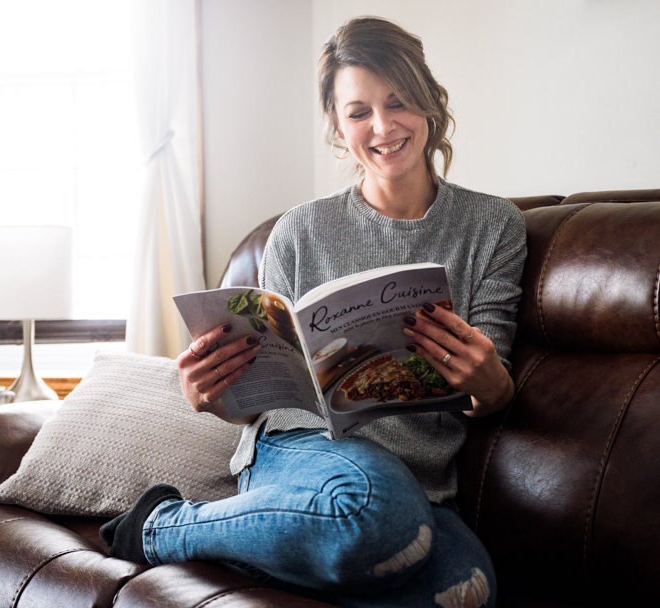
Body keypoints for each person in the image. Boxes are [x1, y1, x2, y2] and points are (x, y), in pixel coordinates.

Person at [101, 16, 526, 608]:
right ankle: (160, 525)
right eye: (358, 113)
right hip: (299, 452)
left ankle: (299, 549)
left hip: (423, 487)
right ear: (337, 125)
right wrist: (214, 395)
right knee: (377, 514)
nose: (383, 127)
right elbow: (262, 402)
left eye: (399, 102)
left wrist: (490, 383)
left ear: (430, 103)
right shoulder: (298, 232)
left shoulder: (492, 226)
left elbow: (493, 392)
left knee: (467, 590)